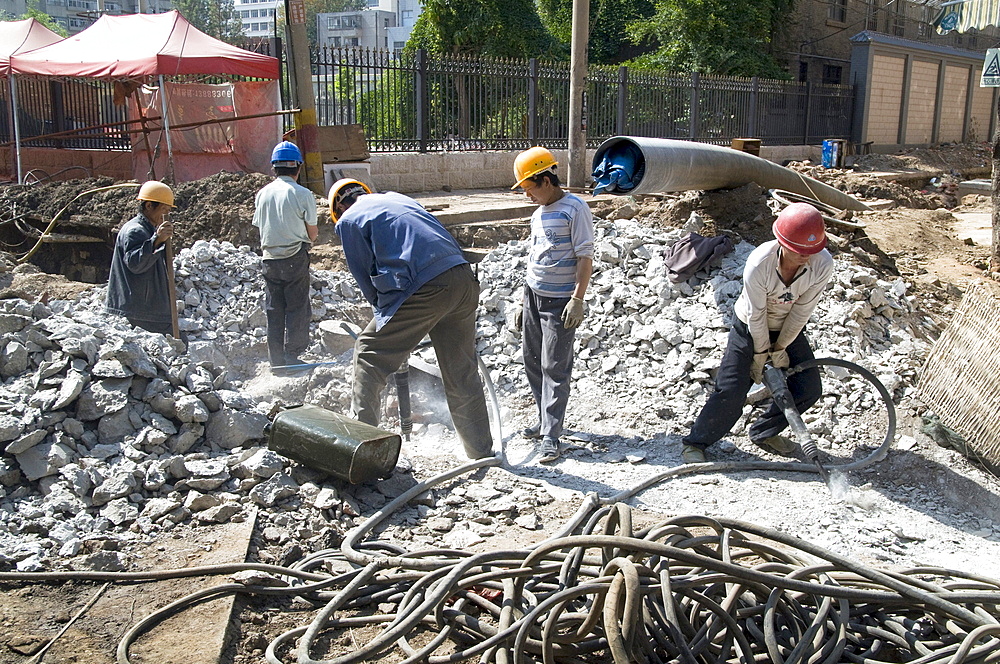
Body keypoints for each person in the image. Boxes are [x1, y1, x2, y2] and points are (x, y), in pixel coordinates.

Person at [329, 178, 494, 460]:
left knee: (369, 351)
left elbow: (364, 276)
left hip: (425, 286)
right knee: (460, 371)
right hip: (463, 278)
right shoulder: (398, 197)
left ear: (339, 208)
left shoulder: (349, 220)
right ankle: (480, 451)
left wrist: (387, 321)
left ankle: (360, 451)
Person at [679, 202, 834, 464]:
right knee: (731, 390)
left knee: (808, 387)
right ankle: (696, 442)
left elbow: (801, 312)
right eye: (799, 250)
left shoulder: (822, 264)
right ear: (782, 242)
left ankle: (765, 432)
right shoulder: (759, 262)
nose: (806, 255)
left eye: (812, 250)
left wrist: (781, 346)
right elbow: (756, 314)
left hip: (788, 328)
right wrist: (761, 353)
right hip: (749, 326)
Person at [512, 147, 595, 463]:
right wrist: (522, 300)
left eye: (529, 189)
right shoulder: (538, 213)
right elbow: (534, 255)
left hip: (559, 301)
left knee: (554, 365)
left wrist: (577, 299)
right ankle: (544, 419)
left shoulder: (575, 208)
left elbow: (585, 256)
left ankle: (551, 436)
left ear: (545, 180)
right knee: (532, 359)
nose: (527, 196)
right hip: (532, 294)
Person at [252, 141, 318, 373]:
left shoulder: (262, 194)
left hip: (269, 259)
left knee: (274, 308)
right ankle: (292, 355)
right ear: (297, 167)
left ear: (274, 168)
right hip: (294, 257)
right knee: (298, 308)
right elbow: (312, 232)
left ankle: (276, 360)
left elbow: (259, 225)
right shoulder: (302, 194)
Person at [105, 180, 177, 336]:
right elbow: (135, 263)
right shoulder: (135, 231)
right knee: (176, 342)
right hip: (139, 309)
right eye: (163, 209)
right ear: (149, 206)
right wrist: (156, 241)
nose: (166, 215)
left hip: (144, 307)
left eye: (169, 210)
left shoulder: (148, 229)